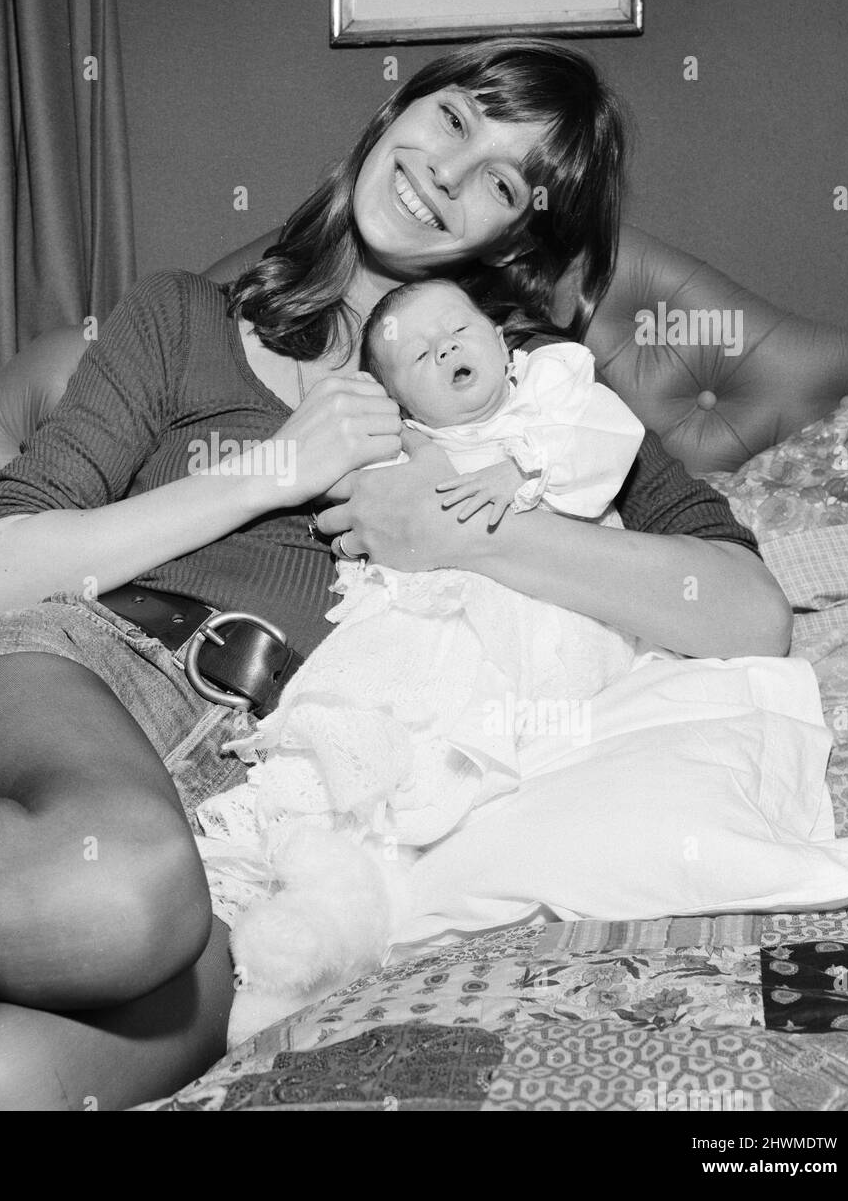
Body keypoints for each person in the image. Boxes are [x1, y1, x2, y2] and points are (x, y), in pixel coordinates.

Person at [0, 40, 792, 1111]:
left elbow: (749, 611)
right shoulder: (180, 319)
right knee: (123, 881)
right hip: (69, 680)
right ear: (396, 113)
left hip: (254, 815)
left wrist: (464, 533)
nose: (452, 167)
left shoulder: (527, 401)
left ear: (515, 235)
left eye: (504, 180)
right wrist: (276, 467)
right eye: (459, 117)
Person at [195, 278, 646, 1032]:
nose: (443, 349)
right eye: (419, 356)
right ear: (401, 401)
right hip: (430, 628)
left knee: (468, 762)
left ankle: (367, 912)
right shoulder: (409, 446)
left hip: (544, 617)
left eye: (457, 330)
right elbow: (355, 514)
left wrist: (517, 472)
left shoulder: (553, 391)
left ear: (506, 346)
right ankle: (308, 920)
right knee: (359, 740)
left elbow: (607, 441)